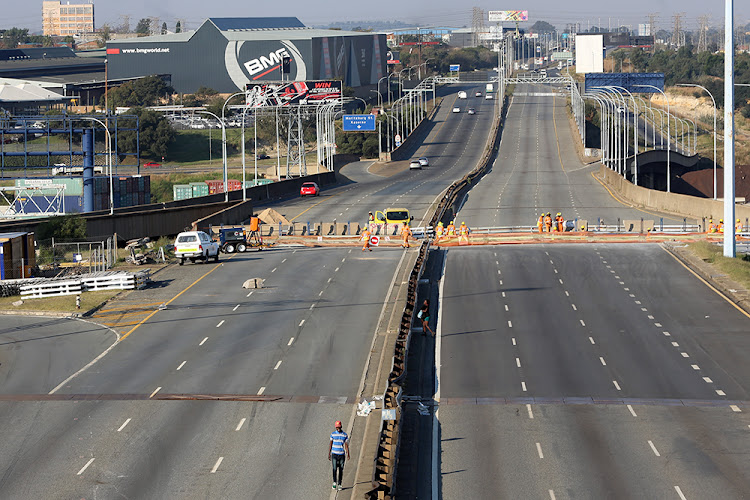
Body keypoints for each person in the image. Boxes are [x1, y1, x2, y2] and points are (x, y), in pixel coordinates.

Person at [328, 420, 350, 491]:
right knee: (334, 469)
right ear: (335, 427)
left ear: (341, 426)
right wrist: (329, 453)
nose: (338, 428)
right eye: (337, 427)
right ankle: (334, 482)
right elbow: (330, 443)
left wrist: (348, 453)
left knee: (341, 470)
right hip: (334, 454)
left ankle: (340, 484)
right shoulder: (333, 434)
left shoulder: (345, 435)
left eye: (339, 427)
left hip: (341, 455)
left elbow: (346, 445)